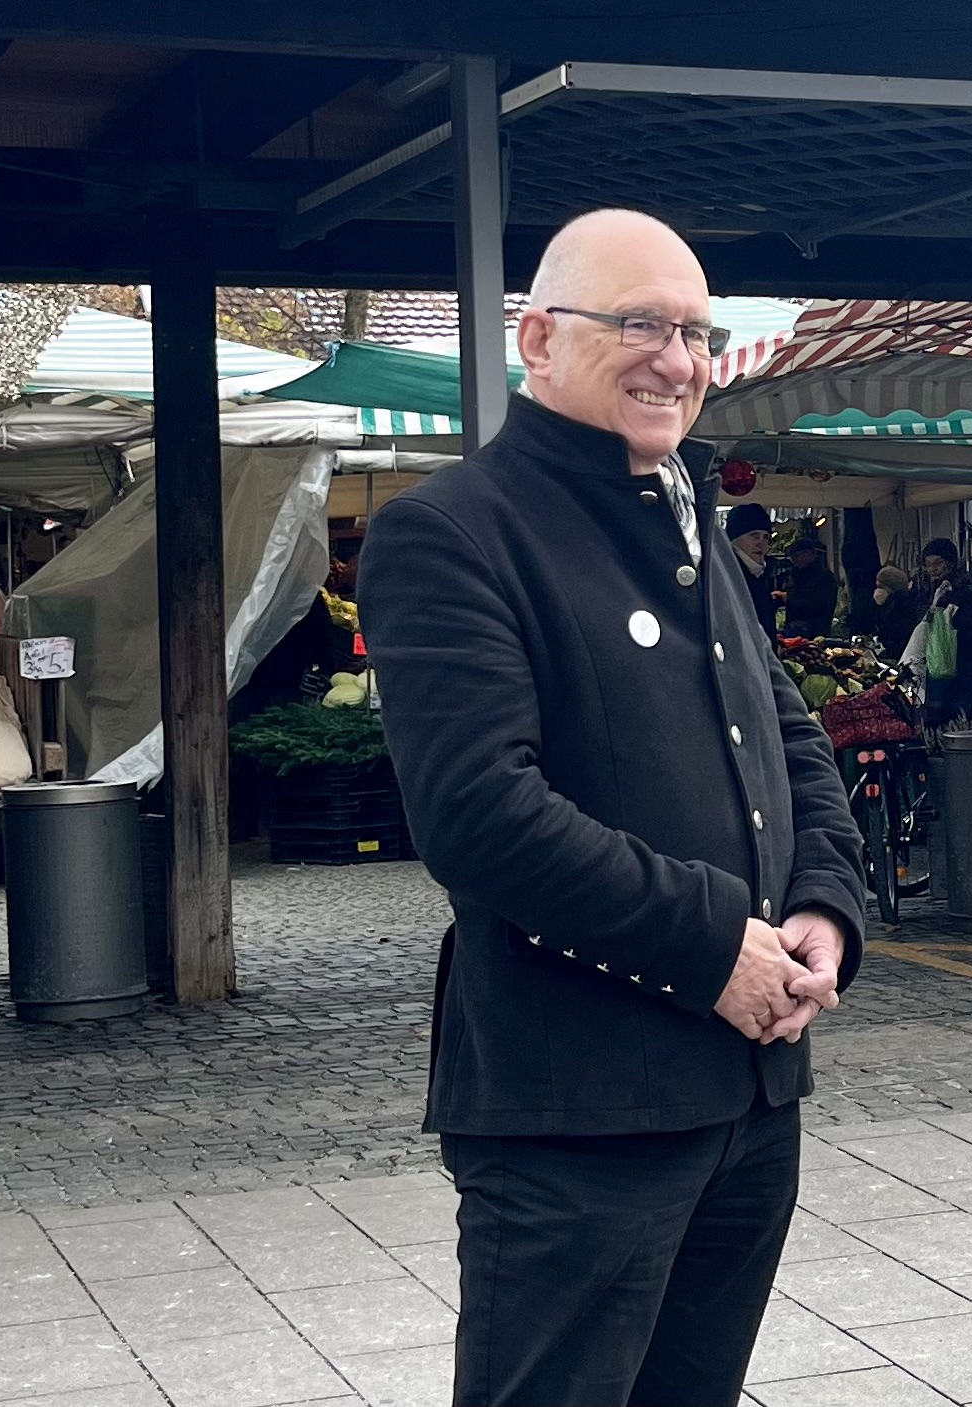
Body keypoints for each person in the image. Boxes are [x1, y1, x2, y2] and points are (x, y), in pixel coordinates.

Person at [362, 208, 869, 1407]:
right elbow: (478, 815)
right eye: (640, 323)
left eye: (695, 332)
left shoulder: (686, 514)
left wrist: (824, 906)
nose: (678, 360)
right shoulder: (450, 532)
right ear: (537, 339)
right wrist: (709, 946)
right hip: (575, 1108)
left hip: (747, 1094)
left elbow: (781, 733)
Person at [913, 536, 972, 724]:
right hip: (934, 667)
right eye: (928, 564)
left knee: (955, 718)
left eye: (938, 563)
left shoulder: (965, 593)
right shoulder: (925, 592)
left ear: (950, 563)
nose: (932, 569)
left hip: (962, 669)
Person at [725, 501, 781, 638]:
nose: (760, 542)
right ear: (734, 539)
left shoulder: (760, 575)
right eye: (754, 535)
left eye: (766, 537)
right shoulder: (726, 577)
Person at [780, 522, 839, 639]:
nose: (794, 561)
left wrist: (789, 599)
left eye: (796, 556)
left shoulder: (825, 577)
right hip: (793, 631)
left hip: (815, 632)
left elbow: (820, 605)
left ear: (808, 554)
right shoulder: (795, 574)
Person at [869, 563, 923, 658]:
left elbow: (890, 630)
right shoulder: (893, 603)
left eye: (881, 587)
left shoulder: (899, 605)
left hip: (897, 654)